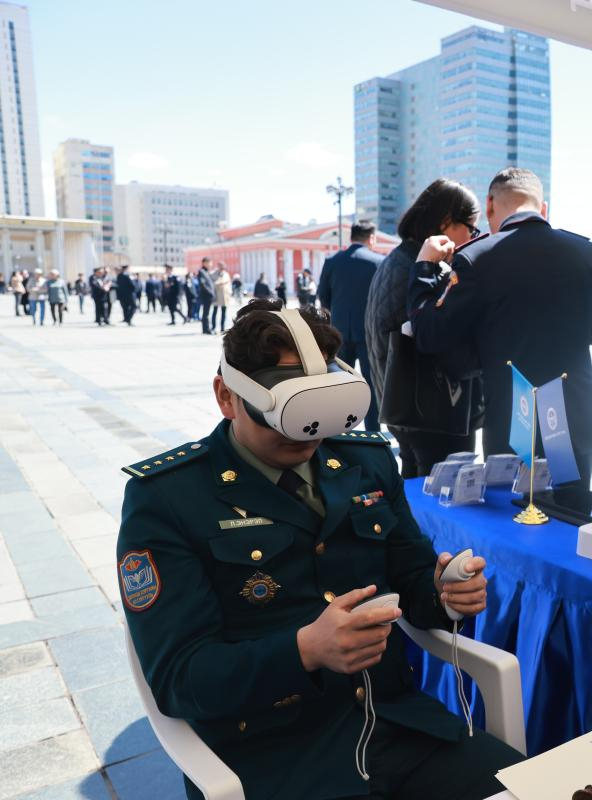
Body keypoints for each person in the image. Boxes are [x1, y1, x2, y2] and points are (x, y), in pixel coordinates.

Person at [117, 298, 522, 800]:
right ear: (226, 396)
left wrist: (443, 593)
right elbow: (179, 678)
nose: (304, 434)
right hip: (272, 757)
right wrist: (304, 650)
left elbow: (412, 577)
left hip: (396, 725)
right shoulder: (168, 498)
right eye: (281, 413)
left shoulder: (366, 463)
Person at [409, 168, 592, 491]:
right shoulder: (585, 251)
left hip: (517, 424)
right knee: (571, 515)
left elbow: (429, 334)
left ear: (490, 204)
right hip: (572, 419)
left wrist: (424, 267)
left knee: (515, 516)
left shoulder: (477, 257)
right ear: (543, 207)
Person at [366, 178, 484, 477]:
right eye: (471, 229)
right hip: (432, 413)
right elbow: (437, 337)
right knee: (443, 493)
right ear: (446, 222)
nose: (472, 237)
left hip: (406, 408)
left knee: (414, 489)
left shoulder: (398, 258)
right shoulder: (421, 267)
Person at [318, 220, 384, 432]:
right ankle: (372, 432)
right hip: (369, 333)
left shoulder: (332, 261)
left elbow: (323, 296)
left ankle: (339, 430)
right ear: (371, 238)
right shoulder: (378, 261)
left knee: (340, 385)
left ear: (351, 237)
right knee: (371, 385)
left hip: (339, 333)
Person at [198, 258, 216, 334]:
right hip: (206, 295)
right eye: (209, 263)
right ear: (204, 263)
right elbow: (203, 284)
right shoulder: (201, 271)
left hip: (208, 295)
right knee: (206, 313)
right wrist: (210, 292)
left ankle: (205, 329)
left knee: (206, 313)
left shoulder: (206, 271)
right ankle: (206, 329)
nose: (210, 264)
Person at [212, 263, 232, 332]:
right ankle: (213, 327)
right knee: (215, 312)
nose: (222, 268)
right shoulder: (213, 274)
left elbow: (229, 284)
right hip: (217, 296)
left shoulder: (226, 274)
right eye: (220, 267)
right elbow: (212, 284)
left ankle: (222, 328)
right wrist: (221, 283)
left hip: (225, 296)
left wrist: (230, 293)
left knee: (224, 312)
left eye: (223, 267)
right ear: (218, 267)